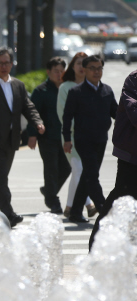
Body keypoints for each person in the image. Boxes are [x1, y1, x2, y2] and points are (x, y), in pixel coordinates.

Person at [0, 47, 45, 227]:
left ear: (12, 64)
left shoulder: (18, 85)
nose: (3, 66)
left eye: (7, 63)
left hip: (12, 140)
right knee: (1, 176)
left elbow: (28, 107)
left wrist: (37, 123)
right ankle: (9, 213)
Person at [62, 55, 117, 224]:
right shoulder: (76, 92)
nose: (96, 71)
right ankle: (104, 209)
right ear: (84, 70)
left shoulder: (107, 90)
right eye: (92, 68)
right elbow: (67, 117)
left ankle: (75, 211)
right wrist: (66, 139)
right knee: (92, 176)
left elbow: (117, 114)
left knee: (88, 174)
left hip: (101, 139)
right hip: (83, 140)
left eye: (99, 68)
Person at [90, 69, 137, 248]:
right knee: (120, 201)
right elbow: (134, 113)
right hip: (132, 157)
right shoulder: (134, 79)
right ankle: (97, 248)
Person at [27, 57, 70, 214]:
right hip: (47, 137)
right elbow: (33, 113)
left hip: (65, 137)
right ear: (48, 72)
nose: (59, 74)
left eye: (61, 71)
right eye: (55, 71)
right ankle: (53, 201)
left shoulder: (68, 88)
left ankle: (49, 191)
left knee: (66, 168)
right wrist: (32, 135)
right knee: (51, 169)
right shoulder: (41, 90)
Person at [56, 52, 96, 218]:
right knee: (78, 168)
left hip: (90, 138)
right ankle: (81, 204)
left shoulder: (93, 87)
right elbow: (62, 114)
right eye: (78, 63)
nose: (81, 67)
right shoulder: (65, 87)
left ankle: (71, 207)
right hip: (70, 137)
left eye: (84, 64)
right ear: (72, 66)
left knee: (81, 171)